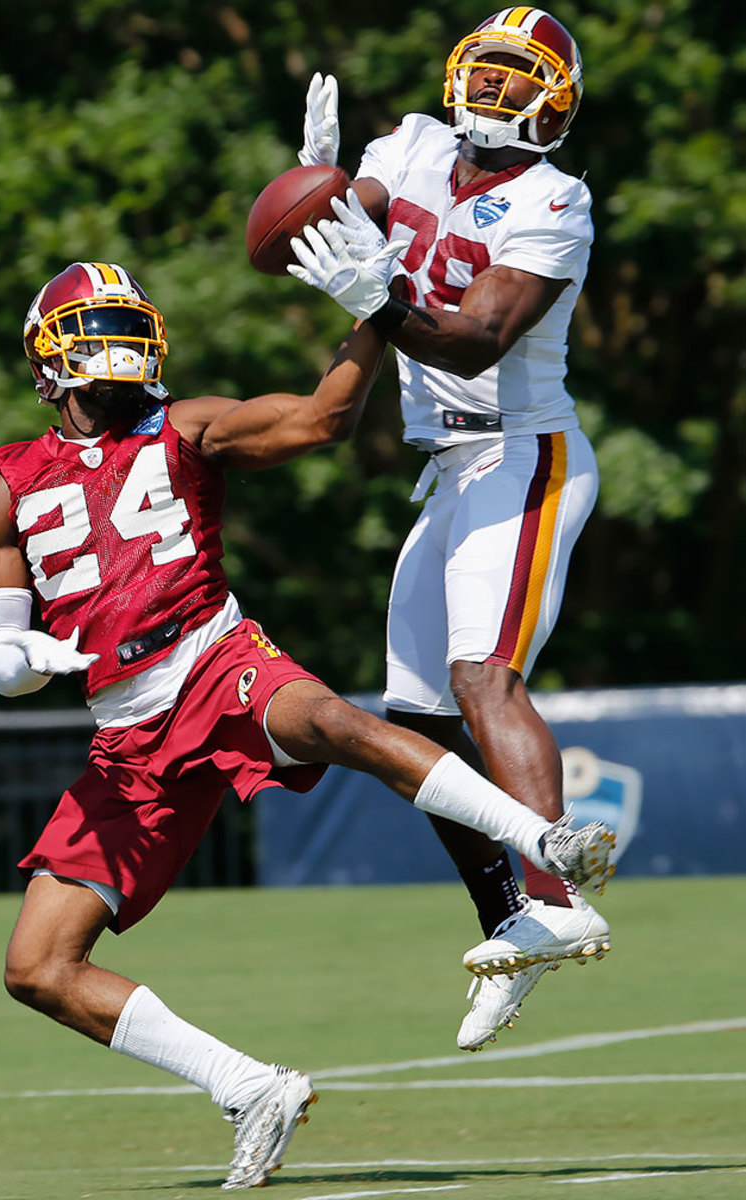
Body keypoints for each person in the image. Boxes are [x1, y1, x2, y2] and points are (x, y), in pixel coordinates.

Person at [0, 261, 613, 1188]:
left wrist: (373, 309)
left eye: (126, 322)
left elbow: (322, 419)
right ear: (45, 356)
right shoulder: (5, 485)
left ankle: (544, 844)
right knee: (36, 967)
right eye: (95, 325)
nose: (115, 341)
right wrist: (25, 657)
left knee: (332, 721)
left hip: (210, 659)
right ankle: (251, 1089)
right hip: (125, 735)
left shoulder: (187, 424)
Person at [291, 7, 608, 1050]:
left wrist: (377, 296)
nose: (498, 89)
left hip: (522, 456)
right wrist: (317, 193)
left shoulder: (554, 199)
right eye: (490, 69)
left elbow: (475, 339)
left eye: (522, 76)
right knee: (417, 722)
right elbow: (326, 231)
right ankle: (511, 921)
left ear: (554, 104)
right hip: (447, 467)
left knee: (483, 676)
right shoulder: (416, 145)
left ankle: (559, 901)